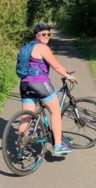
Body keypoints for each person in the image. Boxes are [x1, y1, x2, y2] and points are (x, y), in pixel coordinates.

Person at [18, 23, 77, 156]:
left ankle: (21, 150)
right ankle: (58, 146)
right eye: (43, 34)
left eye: (49, 34)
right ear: (36, 35)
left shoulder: (27, 47)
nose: (47, 37)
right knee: (55, 111)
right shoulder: (42, 47)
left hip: (25, 84)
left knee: (26, 116)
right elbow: (55, 66)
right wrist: (68, 76)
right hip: (39, 83)